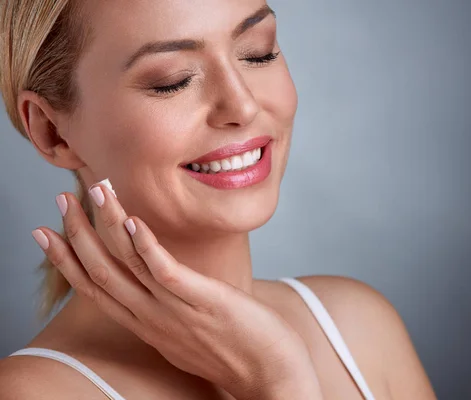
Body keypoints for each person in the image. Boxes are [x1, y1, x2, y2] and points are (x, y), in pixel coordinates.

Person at [0, 0, 436, 399]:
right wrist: (277, 383)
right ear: (51, 131)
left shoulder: (358, 327)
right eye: (173, 81)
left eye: (258, 52)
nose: (242, 106)